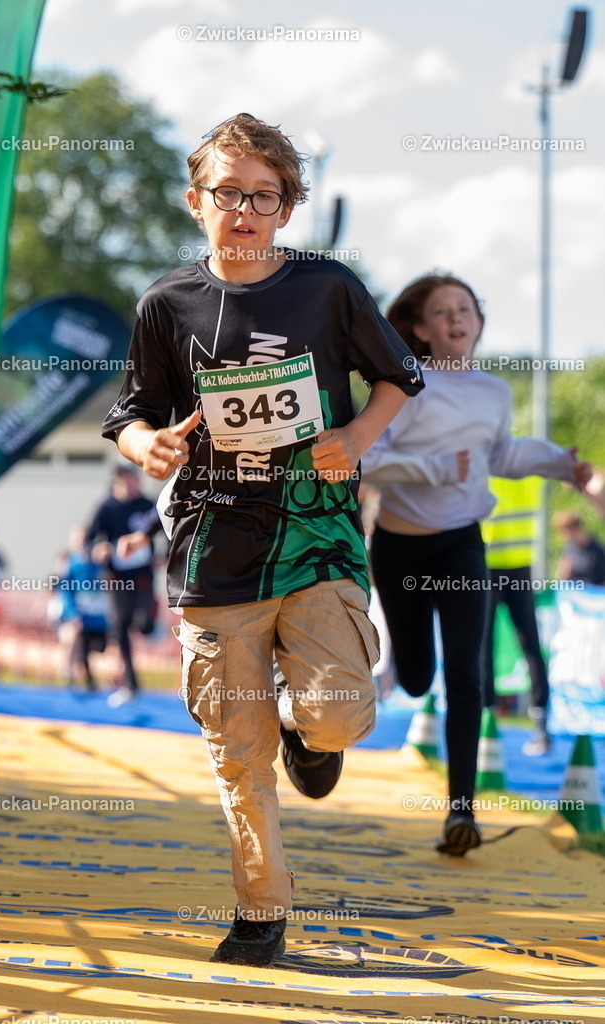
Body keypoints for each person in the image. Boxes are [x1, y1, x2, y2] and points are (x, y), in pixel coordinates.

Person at [101, 112, 423, 967]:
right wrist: (151, 444)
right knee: (235, 754)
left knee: (341, 716)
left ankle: (305, 728)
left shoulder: (327, 287)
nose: (244, 209)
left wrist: (357, 440)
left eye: (264, 196)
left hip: (316, 534)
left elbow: (398, 377)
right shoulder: (165, 302)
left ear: (286, 208)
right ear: (194, 201)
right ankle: (260, 912)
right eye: (228, 193)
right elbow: (128, 416)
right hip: (213, 544)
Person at [362, 272, 592, 857]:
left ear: (478, 323)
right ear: (420, 328)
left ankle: (460, 812)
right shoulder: (404, 386)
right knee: (415, 675)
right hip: (400, 547)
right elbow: (369, 462)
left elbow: (503, 455)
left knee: (466, 671)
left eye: (466, 309)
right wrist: (434, 469)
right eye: (443, 312)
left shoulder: (492, 391)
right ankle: (403, 682)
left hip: (462, 544)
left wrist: (561, 465)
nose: (457, 319)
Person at [481, 476, 552, 756]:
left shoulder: (484, 461)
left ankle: (487, 719)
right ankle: (540, 721)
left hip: (488, 566)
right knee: (530, 645)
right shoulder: (528, 466)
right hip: (519, 567)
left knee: (485, 645)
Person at [85, 465, 162, 706]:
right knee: (120, 627)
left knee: (143, 623)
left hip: (142, 575)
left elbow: (170, 529)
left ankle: (149, 623)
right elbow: (90, 540)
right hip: (117, 578)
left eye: (136, 480)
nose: (133, 485)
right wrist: (97, 550)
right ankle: (130, 683)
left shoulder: (147, 505)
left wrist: (167, 555)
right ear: (118, 481)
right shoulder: (106, 507)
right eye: (128, 480)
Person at [57, 525, 110, 692]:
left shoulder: (98, 563)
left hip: (97, 616)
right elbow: (65, 589)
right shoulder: (70, 564)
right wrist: (72, 612)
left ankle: (84, 674)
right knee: (75, 642)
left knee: (99, 648)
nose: (80, 544)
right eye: (76, 540)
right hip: (78, 614)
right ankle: (72, 675)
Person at [554, 511, 605, 586]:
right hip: (574, 594)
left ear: (575, 529)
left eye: (565, 531)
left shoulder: (596, 550)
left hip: (593, 594)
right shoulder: (569, 550)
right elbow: (561, 578)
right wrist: (563, 573)